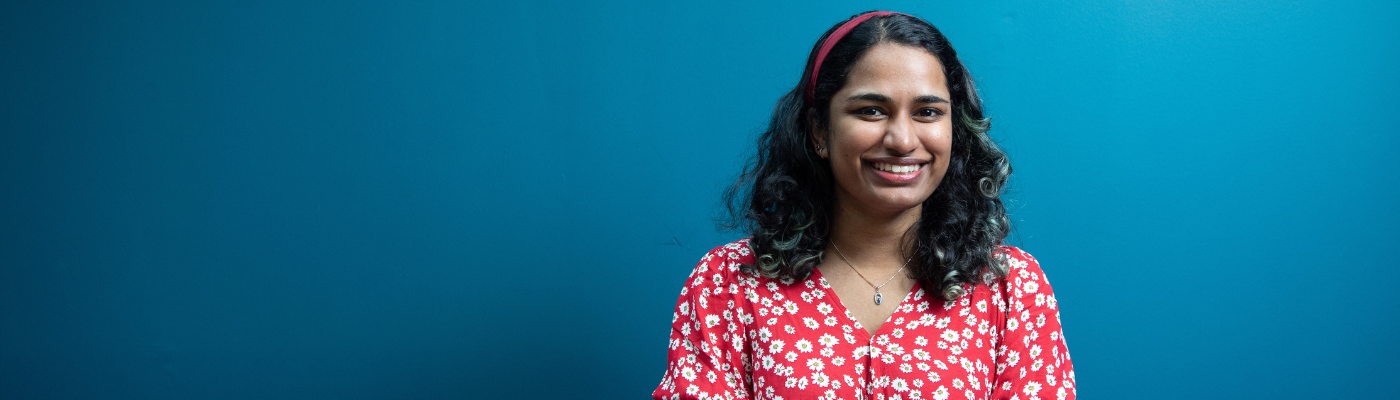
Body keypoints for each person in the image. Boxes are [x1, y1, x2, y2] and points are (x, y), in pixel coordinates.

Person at [652, 11, 1075, 400]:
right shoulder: (728, 285)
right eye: (871, 110)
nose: (903, 140)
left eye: (928, 112)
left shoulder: (1008, 288)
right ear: (819, 130)